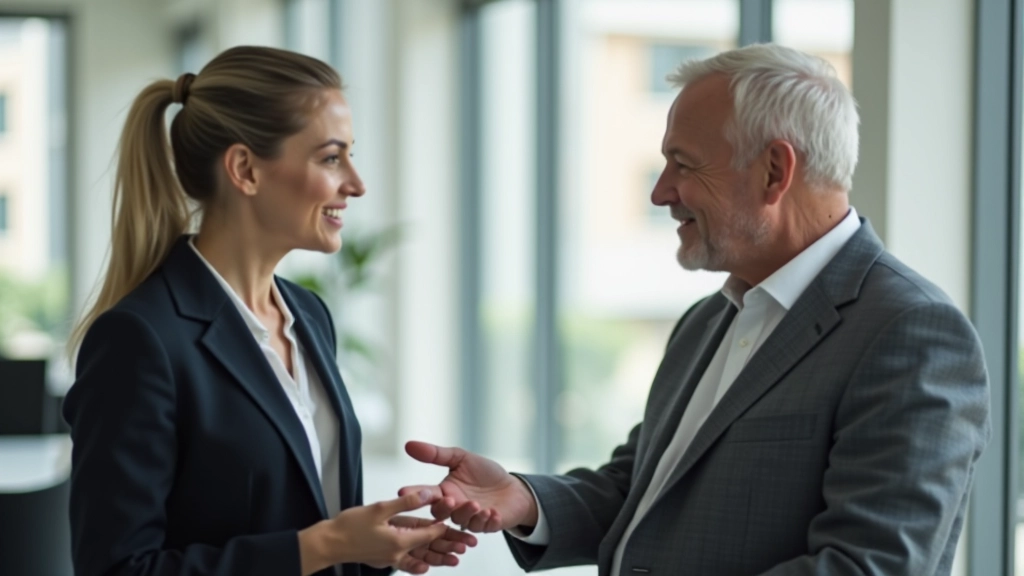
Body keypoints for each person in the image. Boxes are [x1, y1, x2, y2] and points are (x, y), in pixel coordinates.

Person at [400, 43, 991, 575]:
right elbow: (644, 490)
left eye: (683, 164)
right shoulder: (708, 319)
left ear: (775, 171)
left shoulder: (910, 332)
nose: (660, 191)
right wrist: (524, 500)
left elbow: (870, 566)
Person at [63, 46, 476, 576]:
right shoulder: (138, 340)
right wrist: (324, 546)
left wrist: (372, 548)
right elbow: (117, 569)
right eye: (331, 158)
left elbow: (307, 517)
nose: (356, 184)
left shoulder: (309, 315)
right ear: (245, 169)